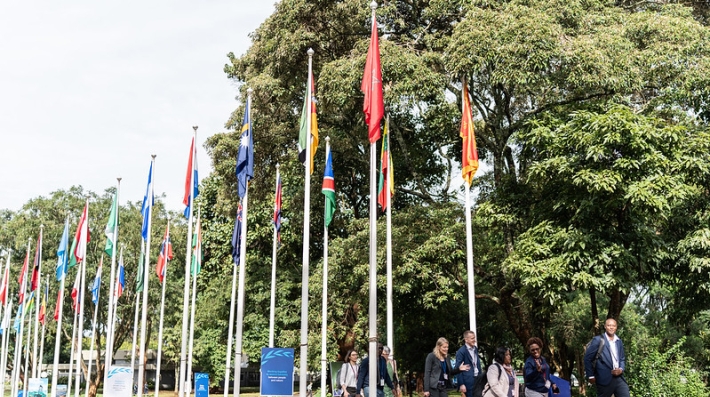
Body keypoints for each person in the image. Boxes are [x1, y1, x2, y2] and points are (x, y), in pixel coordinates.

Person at [583, 318, 630, 397]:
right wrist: (590, 375)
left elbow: (622, 359)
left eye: (613, 326)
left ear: (616, 327)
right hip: (604, 378)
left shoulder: (619, 341)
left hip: (619, 378)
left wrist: (621, 369)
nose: (611, 327)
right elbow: (587, 358)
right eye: (609, 325)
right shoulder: (598, 340)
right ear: (605, 326)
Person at [454, 330, 482, 397]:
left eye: (474, 338)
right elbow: (458, 368)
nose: (474, 340)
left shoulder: (475, 349)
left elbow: (477, 364)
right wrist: (461, 384)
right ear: (466, 340)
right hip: (468, 382)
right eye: (472, 338)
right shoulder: (461, 351)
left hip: (477, 380)